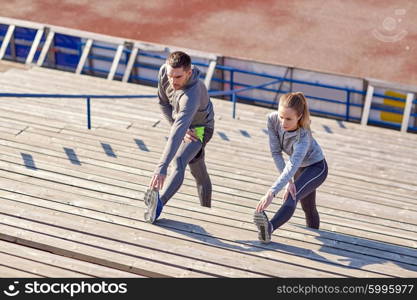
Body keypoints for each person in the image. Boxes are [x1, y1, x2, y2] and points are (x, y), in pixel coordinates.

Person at [144, 51, 215, 224]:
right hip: (181, 122)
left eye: (178, 77)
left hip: (200, 128)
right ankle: (206, 209)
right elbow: (162, 103)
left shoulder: (192, 95)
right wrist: (177, 125)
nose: (173, 82)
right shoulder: (164, 72)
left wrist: (162, 167)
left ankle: (158, 205)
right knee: (198, 169)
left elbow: (177, 133)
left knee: (179, 160)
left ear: (189, 73)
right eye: (170, 76)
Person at [254, 92, 328, 243]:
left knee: (291, 197)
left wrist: (271, 192)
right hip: (299, 168)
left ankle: (268, 228)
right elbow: (276, 153)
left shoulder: (303, 137)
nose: (283, 123)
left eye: (288, 119)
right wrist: (288, 182)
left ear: (299, 116)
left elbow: (292, 164)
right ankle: (314, 236)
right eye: (281, 116)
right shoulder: (272, 119)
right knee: (308, 208)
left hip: (316, 168)